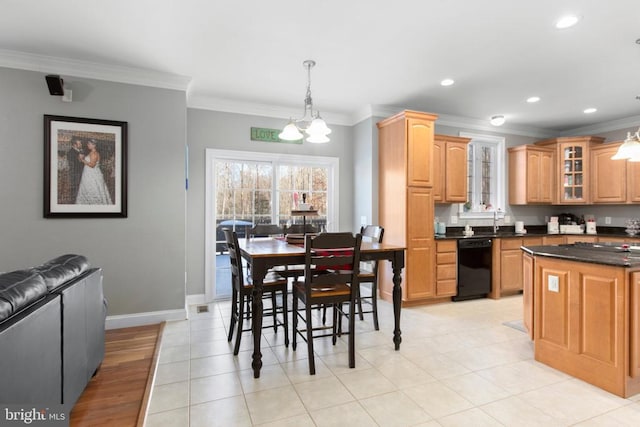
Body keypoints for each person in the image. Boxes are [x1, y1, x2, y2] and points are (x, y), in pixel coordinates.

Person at [75, 139, 113, 205]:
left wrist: (82, 160)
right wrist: (80, 158)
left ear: (94, 145)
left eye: (89, 144)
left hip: (92, 174)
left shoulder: (94, 153)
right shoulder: (91, 152)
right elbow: (86, 161)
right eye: (88, 144)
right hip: (88, 173)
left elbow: (92, 165)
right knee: (88, 188)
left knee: (93, 188)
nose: (88, 145)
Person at [66, 137, 85, 202]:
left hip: (80, 172)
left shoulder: (80, 151)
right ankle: (74, 202)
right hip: (76, 173)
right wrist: (80, 159)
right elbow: (73, 164)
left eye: (81, 143)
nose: (81, 144)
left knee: (80, 187)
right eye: (79, 143)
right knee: (76, 187)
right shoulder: (70, 152)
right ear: (74, 145)